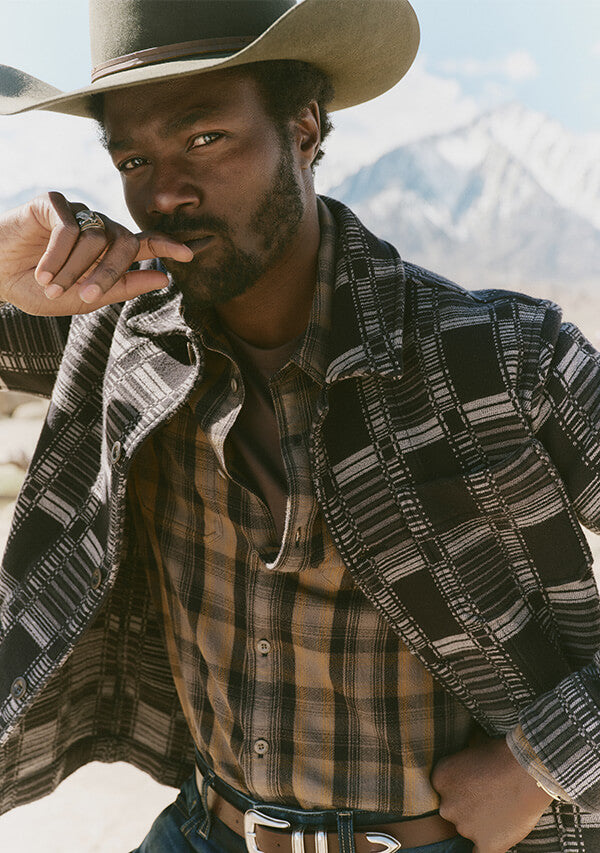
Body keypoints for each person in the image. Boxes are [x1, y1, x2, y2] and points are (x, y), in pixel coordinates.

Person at [0, 1, 599, 851]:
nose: (165, 191)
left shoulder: (500, 358)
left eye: (205, 138)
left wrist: (544, 763)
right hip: (206, 830)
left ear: (305, 127)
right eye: (135, 158)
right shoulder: (115, 337)